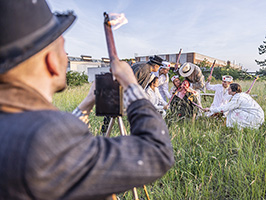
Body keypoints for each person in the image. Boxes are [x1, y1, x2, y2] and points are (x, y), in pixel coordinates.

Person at [0, 1, 174, 199]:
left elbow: (62, 148)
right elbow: (156, 151)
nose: (66, 58)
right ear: (52, 62)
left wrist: (87, 102)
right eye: (62, 50)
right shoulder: (46, 138)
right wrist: (131, 85)